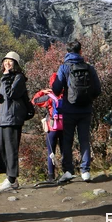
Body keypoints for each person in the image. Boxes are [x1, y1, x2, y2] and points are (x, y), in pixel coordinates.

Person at [50, 41, 101, 182]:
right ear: (80, 51)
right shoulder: (89, 68)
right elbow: (97, 89)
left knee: (67, 140)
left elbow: (56, 89)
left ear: (67, 52)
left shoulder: (64, 67)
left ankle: (68, 171)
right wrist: (87, 100)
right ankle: (85, 171)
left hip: (69, 109)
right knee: (84, 139)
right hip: (85, 110)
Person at [0, 51, 29, 192]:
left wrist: (6, 77)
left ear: (16, 64)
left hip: (13, 117)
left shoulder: (19, 78)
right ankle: (10, 178)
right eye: (5, 60)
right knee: (2, 148)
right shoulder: (5, 77)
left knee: (11, 149)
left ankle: (11, 179)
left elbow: (11, 94)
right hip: (3, 116)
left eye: (11, 61)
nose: (7, 63)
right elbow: (2, 93)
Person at [32, 88, 63, 182]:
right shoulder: (67, 95)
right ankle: (67, 172)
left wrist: (42, 92)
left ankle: (51, 176)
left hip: (52, 126)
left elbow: (34, 101)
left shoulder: (49, 97)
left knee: (51, 152)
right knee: (65, 150)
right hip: (65, 125)